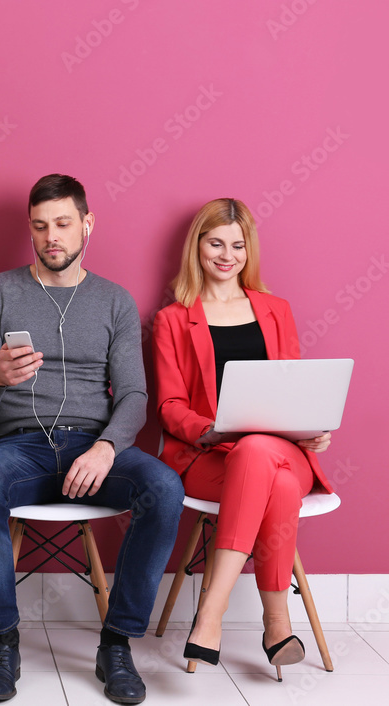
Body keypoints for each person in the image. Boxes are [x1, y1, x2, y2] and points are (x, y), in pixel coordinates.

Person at [0, 174, 184, 704]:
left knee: (166, 490)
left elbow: (133, 395)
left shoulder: (114, 301)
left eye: (62, 224)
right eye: (40, 227)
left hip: (95, 446)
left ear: (86, 224)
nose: (51, 237)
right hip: (21, 447)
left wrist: (107, 446)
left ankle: (118, 642)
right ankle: (3, 642)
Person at [152, 198, 333, 679]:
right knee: (262, 467)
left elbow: (294, 391)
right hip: (211, 457)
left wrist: (313, 428)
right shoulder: (173, 318)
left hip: (282, 451)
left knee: (259, 450)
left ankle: (210, 614)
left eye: (237, 244)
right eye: (216, 243)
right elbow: (169, 407)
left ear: (248, 250)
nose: (227, 254)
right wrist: (207, 430)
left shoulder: (276, 310)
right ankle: (277, 625)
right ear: (198, 246)